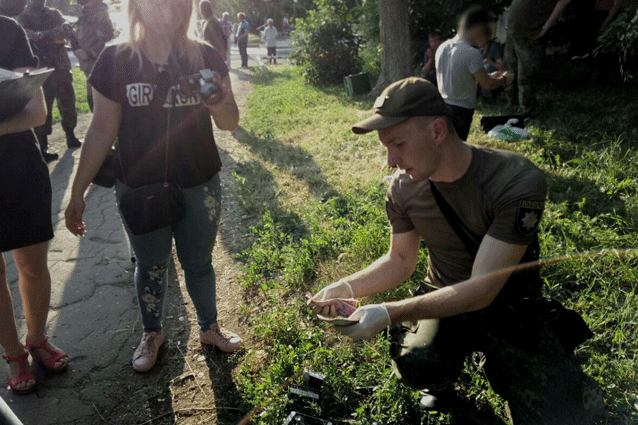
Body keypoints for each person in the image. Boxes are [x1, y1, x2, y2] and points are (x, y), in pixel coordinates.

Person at [310, 78, 604, 424]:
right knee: (416, 362)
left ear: (437, 131)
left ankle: (547, 377)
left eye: (399, 144)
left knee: (562, 415)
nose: (390, 160)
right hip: (444, 295)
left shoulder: (515, 181)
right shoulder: (404, 190)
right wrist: (346, 287)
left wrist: (388, 312)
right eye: (385, 147)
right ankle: (444, 374)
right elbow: (400, 260)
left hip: (510, 305)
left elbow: (482, 289)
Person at [64, 0, 243, 373]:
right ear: (137, 7)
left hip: (199, 180)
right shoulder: (116, 59)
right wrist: (77, 192)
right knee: (150, 265)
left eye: (178, 3)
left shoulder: (204, 56)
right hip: (139, 187)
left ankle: (209, 328)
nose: (169, 11)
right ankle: (151, 333)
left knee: (199, 262)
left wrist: (218, 102)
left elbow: (228, 122)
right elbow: (101, 130)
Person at [1, 0, 69, 396]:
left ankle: (37, 338)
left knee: (31, 265)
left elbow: (37, 112)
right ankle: (13, 355)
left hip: (19, 167)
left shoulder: (9, 30)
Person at [435, 6, 513, 141]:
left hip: (442, 106)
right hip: (461, 111)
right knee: (457, 147)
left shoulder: (442, 47)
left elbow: (461, 77)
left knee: (444, 145)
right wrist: (504, 79)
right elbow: (487, 84)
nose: (489, 36)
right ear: (476, 28)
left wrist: (489, 76)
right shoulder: (471, 53)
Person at [18, 0, 81, 162]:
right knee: (43, 105)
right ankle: (43, 145)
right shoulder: (23, 15)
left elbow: (64, 30)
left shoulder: (54, 13)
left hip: (59, 65)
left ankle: (70, 135)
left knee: (68, 100)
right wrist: (48, 35)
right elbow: (25, 34)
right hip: (40, 67)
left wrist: (41, 35)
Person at [505, 0, 571, 116]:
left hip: (531, 34)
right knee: (510, 71)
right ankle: (512, 103)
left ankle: (526, 112)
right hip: (513, 31)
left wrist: (546, 27)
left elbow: (564, 1)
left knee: (525, 77)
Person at [69, 0, 114, 113]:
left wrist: (89, 53)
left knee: (102, 112)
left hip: (101, 70)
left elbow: (110, 41)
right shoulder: (86, 13)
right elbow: (85, 38)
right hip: (90, 71)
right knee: (94, 107)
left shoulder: (99, 13)